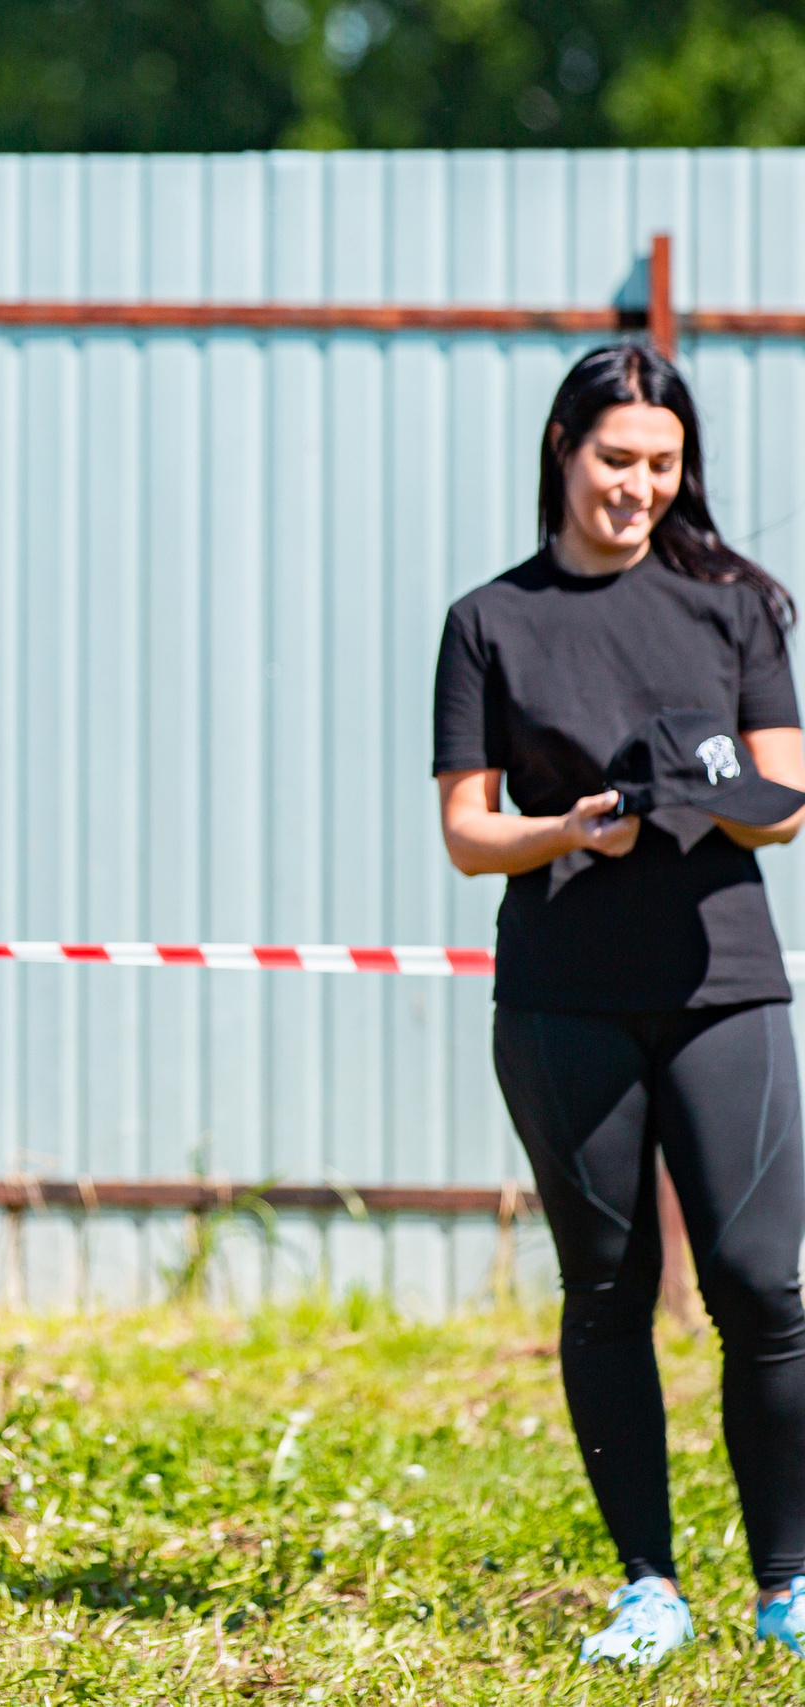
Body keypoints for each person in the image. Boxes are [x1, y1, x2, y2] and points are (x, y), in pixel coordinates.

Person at [432, 343, 805, 1665]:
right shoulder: (491, 620)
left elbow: (786, 801)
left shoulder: (737, 606)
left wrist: (704, 800)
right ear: (562, 450)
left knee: (763, 1286)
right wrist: (568, 832)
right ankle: (649, 1584)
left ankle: (788, 1585)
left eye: (663, 465)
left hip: (726, 990)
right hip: (563, 1000)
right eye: (617, 461)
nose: (640, 488)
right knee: (606, 1284)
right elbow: (470, 833)